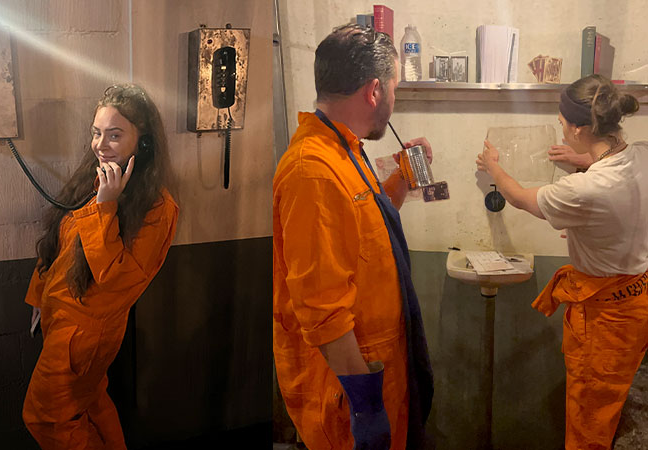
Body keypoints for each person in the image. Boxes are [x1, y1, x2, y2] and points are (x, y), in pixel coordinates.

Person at [273, 24, 434, 450]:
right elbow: (321, 309)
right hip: (348, 388)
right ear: (375, 90)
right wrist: (366, 406)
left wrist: (402, 176)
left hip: (380, 367)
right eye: (394, 90)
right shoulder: (312, 170)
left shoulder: (347, 150)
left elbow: (364, 231)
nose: (393, 102)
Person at [476, 74, 648, 449]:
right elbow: (619, 190)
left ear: (579, 127)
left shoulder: (583, 190)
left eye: (562, 118)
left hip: (605, 320)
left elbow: (521, 197)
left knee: (590, 417)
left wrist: (493, 167)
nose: (559, 123)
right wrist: (583, 160)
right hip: (637, 301)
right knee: (611, 405)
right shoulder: (642, 154)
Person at [22, 84, 179, 449]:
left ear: (142, 142)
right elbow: (58, 246)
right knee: (89, 404)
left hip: (86, 333)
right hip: (60, 318)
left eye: (114, 134)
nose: (100, 144)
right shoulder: (94, 180)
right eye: (96, 133)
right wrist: (37, 298)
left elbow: (117, 281)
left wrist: (105, 208)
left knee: (47, 418)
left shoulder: (157, 208)